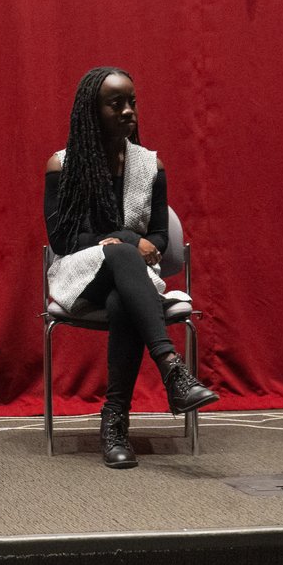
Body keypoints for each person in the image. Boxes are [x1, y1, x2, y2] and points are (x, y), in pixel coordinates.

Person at [44, 67, 219, 469]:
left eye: (132, 103)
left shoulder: (150, 165)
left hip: (134, 280)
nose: (128, 111)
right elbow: (63, 241)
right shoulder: (62, 165)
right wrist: (125, 239)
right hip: (77, 275)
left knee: (124, 297)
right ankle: (172, 368)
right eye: (116, 103)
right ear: (92, 111)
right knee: (123, 254)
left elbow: (158, 236)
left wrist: (132, 243)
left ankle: (115, 421)